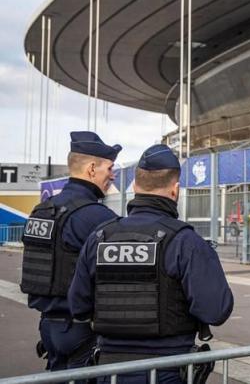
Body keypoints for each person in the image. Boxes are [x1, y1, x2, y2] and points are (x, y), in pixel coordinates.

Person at [69, 144, 234, 383]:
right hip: (167, 368)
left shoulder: (100, 236)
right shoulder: (185, 241)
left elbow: (78, 306)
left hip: (108, 370)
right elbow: (215, 310)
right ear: (175, 190)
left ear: (135, 187)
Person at [20, 131, 121, 371]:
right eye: (109, 169)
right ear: (92, 168)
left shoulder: (42, 211)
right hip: (82, 331)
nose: (113, 175)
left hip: (48, 327)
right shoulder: (97, 217)